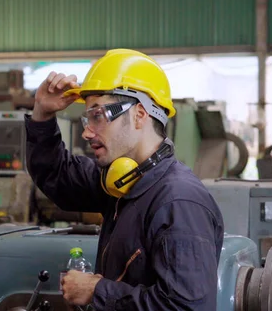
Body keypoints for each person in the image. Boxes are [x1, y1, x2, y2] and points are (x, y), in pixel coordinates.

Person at [25, 48, 224, 310]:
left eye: (98, 116)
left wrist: (96, 291)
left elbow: (184, 306)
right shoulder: (122, 183)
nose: (87, 132)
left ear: (139, 115)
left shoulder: (178, 202)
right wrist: (42, 114)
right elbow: (58, 176)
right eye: (87, 118)